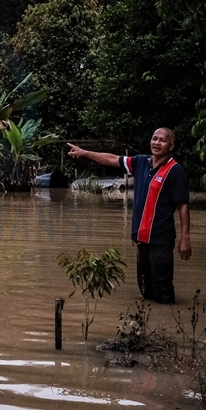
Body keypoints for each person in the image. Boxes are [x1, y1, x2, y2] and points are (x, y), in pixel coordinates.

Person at [67, 128, 190, 304]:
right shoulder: (141, 162)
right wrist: (84, 152)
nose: (157, 143)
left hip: (161, 237)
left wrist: (185, 238)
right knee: (145, 287)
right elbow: (111, 159)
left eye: (162, 140)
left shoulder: (175, 170)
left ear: (171, 146)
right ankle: (149, 323)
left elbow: (183, 205)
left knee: (162, 288)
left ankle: (167, 321)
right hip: (141, 237)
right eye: (154, 138)